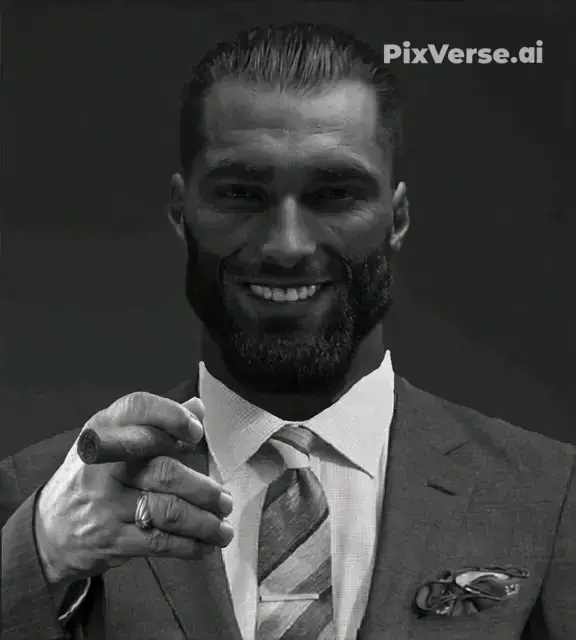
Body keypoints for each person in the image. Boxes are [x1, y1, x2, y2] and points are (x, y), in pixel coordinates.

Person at [2, 22, 575, 640]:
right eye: (240, 193)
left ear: (398, 217)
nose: (287, 246)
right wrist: (37, 557)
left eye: (335, 194)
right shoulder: (37, 498)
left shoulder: (549, 494)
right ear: (180, 212)